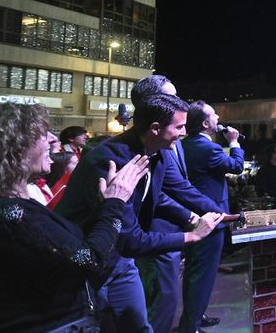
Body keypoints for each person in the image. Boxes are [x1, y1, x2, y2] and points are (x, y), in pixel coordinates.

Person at [55, 93, 223, 332]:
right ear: (155, 128)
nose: (184, 132)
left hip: (119, 260)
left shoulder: (158, 152)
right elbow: (130, 238)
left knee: (140, 327)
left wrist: (192, 217)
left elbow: (160, 194)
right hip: (90, 261)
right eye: (179, 127)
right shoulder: (111, 161)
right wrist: (191, 236)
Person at [0, 103, 150, 331]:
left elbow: (68, 244)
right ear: (16, 147)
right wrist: (115, 202)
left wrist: (104, 206)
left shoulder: (16, 208)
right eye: (41, 134)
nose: (51, 139)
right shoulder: (13, 214)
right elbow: (89, 260)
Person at [130, 75, 225, 333]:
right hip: (153, 233)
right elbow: (161, 194)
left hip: (172, 231)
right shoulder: (138, 148)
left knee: (167, 300)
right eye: (171, 98)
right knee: (158, 305)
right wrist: (193, 216)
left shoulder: (173, 142)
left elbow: (179, 186)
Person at [177, 100, 244, 333]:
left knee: (194, 272)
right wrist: (234, 142)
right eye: (214, 115)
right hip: (211, 218)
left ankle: (195, 315)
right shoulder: (209, 148)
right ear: (205, 123)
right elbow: (237, 166)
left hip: (191, 216)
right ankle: (191, 326)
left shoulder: (184, 145)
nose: (218, 118)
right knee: (203, 274)